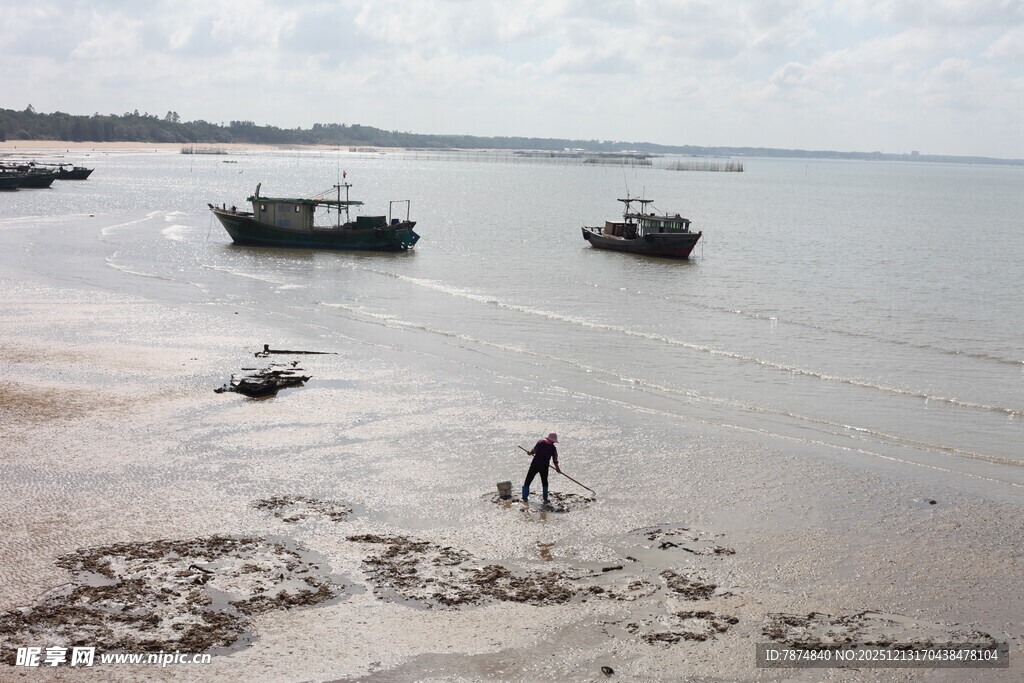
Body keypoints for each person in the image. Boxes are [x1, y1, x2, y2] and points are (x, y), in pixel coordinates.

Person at [523, 433, 560, 503]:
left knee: (529, 480)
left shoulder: (541, 443)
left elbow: (534, 450)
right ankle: (544, 498)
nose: (552, 442)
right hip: (543, 466)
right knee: (543, 481)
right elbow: (555, 459)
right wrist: (557, 468)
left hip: (536, 464)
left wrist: (529, 453)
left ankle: (525, 498)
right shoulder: (552, 448)